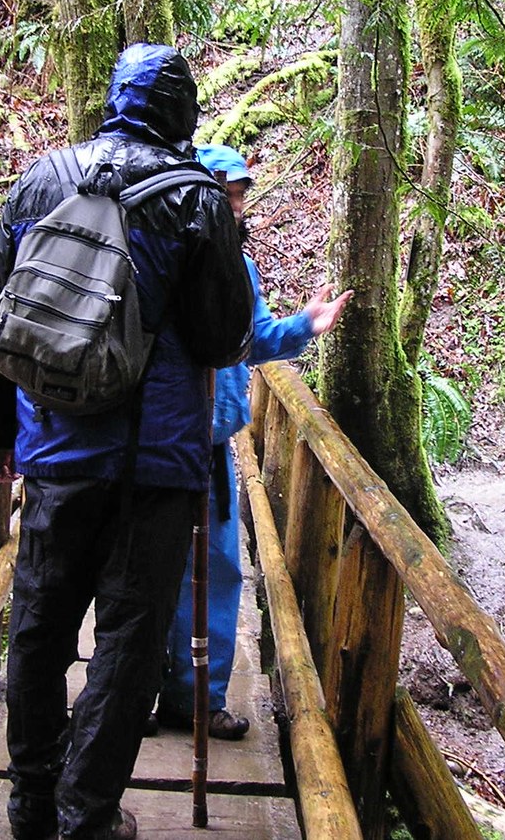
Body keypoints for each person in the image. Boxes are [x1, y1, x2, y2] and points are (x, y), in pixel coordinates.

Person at [0, 45, 255, 840]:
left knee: (38, 624)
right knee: (128, 640)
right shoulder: (197, 200)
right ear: (181, 112)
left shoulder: (40, 179)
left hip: (55, 449)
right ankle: (86, 815)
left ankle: (29, 802)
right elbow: (224, 335)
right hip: (156, 462)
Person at [154, 142, 351, 740]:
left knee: (214, 567)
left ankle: (197, 698)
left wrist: (302, 327)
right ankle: (135, 693)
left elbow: (254, 334)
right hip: (163, 440)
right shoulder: (159, 251)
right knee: (145, 569)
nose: (240, 205)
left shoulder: (238, 265)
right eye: (231, 194)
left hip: (212, 440)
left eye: (241, 194)